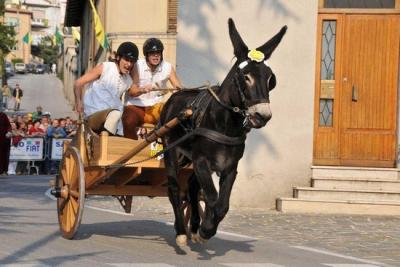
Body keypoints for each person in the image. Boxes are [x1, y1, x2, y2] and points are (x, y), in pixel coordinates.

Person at [122, 38, 183, 139]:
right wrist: (142, 90)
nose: (156, 55)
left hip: (155, 107)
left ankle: (167, 148)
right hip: (136, 106)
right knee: (128, 120)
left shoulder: (168, 67)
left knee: (174, 117)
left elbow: (179, 89)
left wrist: (180, 91)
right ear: (146, 55)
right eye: (152, 53)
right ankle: (131, 148)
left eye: (158, 52)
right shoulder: (137, 66)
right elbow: (132, 91)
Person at [74, 42, 139, 135]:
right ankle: (108, 140)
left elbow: (133, 92)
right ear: (118, 57)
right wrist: (78, 102)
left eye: (132, 61)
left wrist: (144, 90)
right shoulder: (105, 67)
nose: (129, 64)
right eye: (126, 60)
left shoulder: (128, 80)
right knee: (115, 115)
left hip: (112, 119)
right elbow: (78, 83)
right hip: (94, 113)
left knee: (125, 119)